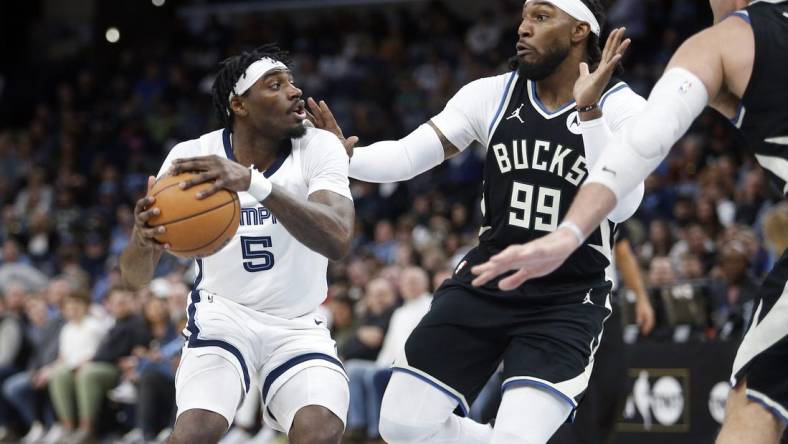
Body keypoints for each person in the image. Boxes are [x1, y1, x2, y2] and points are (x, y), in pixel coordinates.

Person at [310, 1, 646, 442]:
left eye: (542, 17)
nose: (523, 28)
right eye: (524, 16)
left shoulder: (625, 107)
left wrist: (589, 116)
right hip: (488, 279)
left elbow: (622, 206)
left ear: (580, 30)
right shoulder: (492, 94)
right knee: (400, 425)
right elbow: (411, 156)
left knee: (519, 436)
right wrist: (349, 157)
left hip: (567, 296)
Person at [470, 1, 788, 443]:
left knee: (754, 406)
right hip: (583, 301)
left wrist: (568, 231)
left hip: (578, 291)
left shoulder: (728, 41)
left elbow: (642, 143)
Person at [119, 44, 355, 444]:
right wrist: (143, 240)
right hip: (223, 316)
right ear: (239, 105)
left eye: (293, 82)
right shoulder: (191, 155)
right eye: (275, 85)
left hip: (298, 323)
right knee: (195, 431)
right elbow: (134, 277)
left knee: (320, 429)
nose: (295, 92)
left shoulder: (318, 146)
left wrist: (254, 184)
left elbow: (338, 238)